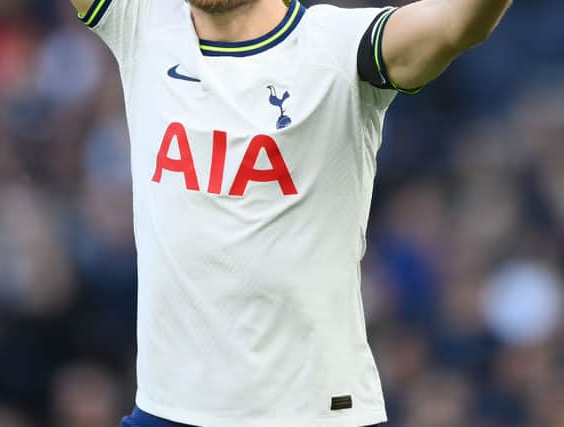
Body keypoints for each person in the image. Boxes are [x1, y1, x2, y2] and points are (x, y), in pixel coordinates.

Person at [68, 0, 512, 426]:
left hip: (311, 414)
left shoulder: (338, 47)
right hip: (168, 410)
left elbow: (458, 23)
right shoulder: (144, 22)